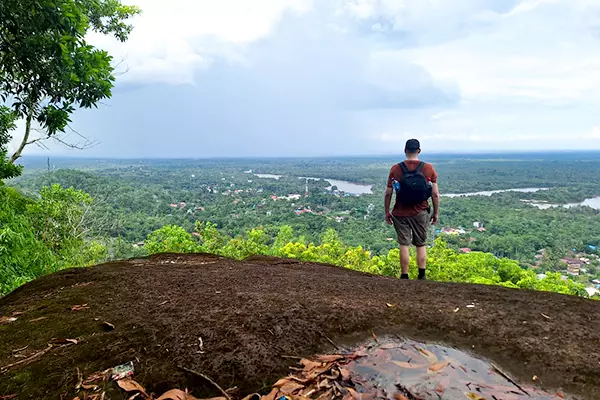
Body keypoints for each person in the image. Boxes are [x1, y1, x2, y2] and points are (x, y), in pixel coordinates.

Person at [384, 139, 440, 280]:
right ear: (419, 150)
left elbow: (388, 193)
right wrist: (436, 212)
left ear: (405, 150)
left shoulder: (396, 169)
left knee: (404, 243)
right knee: (420, 244)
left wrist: (387, 211)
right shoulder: (428, 168)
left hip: (400, 212)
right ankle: (421, 275)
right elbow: (435, 194)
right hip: (420, 212)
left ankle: (404, 275)